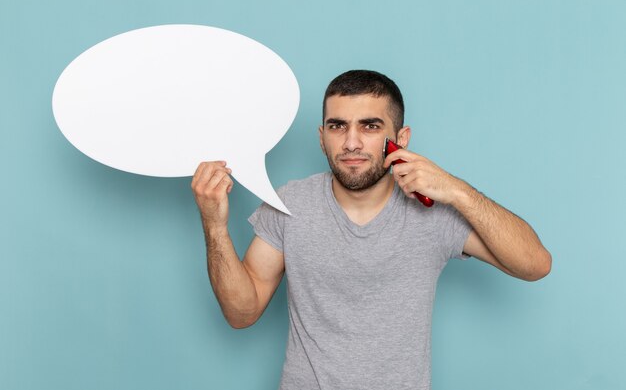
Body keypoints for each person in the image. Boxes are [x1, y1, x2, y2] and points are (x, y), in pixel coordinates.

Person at [191, 70, 552, 390]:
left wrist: (457, 191)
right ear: (321, 137)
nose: (351, 142)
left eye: (370, 126)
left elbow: (535, 264)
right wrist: (214, 223)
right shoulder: (291, 204)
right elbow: (242, 313)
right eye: (337, 126)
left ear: (401, 137)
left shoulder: (433, 211)